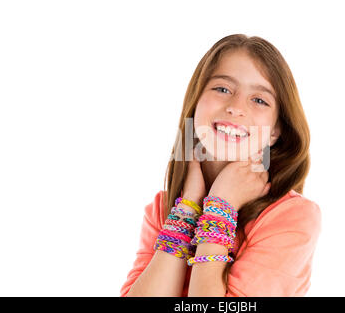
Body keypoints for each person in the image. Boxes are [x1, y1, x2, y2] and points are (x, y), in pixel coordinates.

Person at [120, 34, 322, 297]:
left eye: (259, 100)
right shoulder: (162, 210)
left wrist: (221, 207)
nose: (236, 107)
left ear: (275, 131)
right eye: (223, 89)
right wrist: (189, 208)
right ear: (195, 104)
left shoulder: (294, 217)